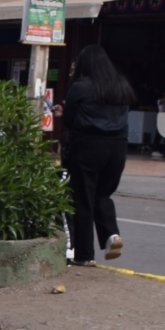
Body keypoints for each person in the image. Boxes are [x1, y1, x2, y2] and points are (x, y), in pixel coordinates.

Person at [56, 45, 134, 265]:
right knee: (103, 194)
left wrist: (63, 113)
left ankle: (85, 255)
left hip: (87, 147)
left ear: (85, 64)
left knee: (82, 199)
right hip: (118, 147)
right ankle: (111, 235)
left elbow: (70, 120)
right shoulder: (121, 85)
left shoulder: (81, 86)